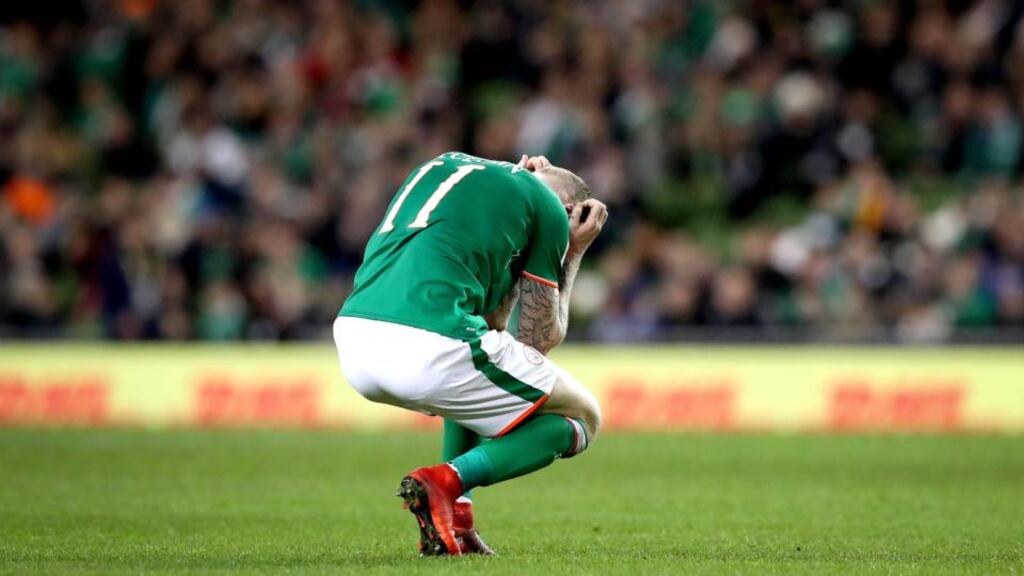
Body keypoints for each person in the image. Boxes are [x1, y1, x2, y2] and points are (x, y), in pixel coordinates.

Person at [333, 151, 606, 556]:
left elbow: (493, 326)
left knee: (478, 358)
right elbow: (537, 340)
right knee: (584, 416)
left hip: (353, 339)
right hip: (430, 345)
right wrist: (572, 250)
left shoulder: (441, 165)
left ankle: (458, 520)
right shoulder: (549, 208)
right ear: (571, 210)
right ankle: (443, 483)